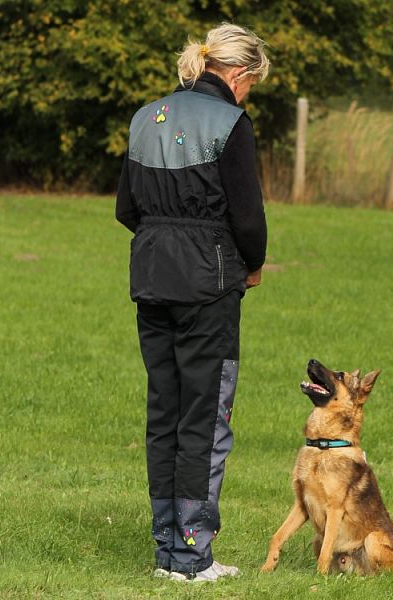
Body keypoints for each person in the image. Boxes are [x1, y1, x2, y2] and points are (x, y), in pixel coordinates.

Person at [115, 23, 269, 582]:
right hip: (209, 284)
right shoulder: (231, 122)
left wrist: (163, 237)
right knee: (205, 417)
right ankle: (191, 556)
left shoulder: (144, 117)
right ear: (239, 73)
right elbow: (247, 216)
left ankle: (166, 551)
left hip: (151, 278)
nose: (248, 91)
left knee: (166, 413)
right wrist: (251, 263)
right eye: (252, 81)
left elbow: (125, 208)